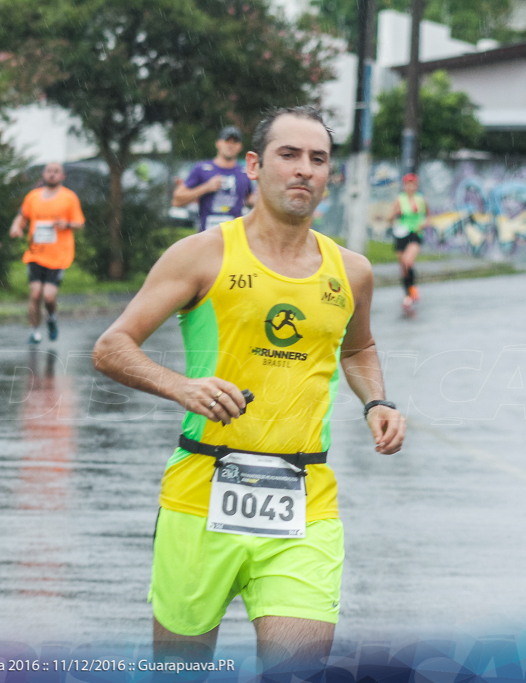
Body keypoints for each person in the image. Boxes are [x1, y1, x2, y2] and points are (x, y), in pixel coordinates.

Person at [93, 107, 405, 673]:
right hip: (200, 492)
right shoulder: (202, 254)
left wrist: (377, 402)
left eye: (318, 159)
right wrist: (182, 387)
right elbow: (112, 347)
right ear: (256, 166)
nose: (305, 170)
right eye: (290, 155)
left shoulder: (352, 271)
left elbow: (358, 349)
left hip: (303, 499)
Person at [9, 162, 85, 345]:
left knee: (48, 296)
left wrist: (65, 224)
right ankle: (35, 332)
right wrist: (16, 227)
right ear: (43, 174)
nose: (52, 174)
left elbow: (79, 223)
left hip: (59, 255)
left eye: (56, 172)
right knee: (35, 293)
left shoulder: (69, 198)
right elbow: (22, 214)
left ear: (62, 176)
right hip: (35, 253)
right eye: (49, 171)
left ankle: (51, 317)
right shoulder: (33, 197)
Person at [173, 126, 255, 232]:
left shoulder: (244, 172)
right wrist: (206, 187)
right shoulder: (201, 169)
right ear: (218, 143)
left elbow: (251, 200)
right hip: (207, 235)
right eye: (227, 141)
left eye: (235, 142)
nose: (231, 145)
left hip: (235, 237)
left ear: (240, 146)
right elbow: (177, 201)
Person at [387, 173, 429, 312]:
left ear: (416, 186)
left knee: (407, 261)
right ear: (404, 186)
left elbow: (429, 217)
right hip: (401, 234)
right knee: (403, 268)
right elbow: (390, 218)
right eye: (407, 184)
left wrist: (424, 223)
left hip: (415, 234)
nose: (410, 187)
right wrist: (395, 215)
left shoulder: (421, 199)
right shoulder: (399, 199)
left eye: (413, 184)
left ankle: (412, 289)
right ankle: (407, 294)